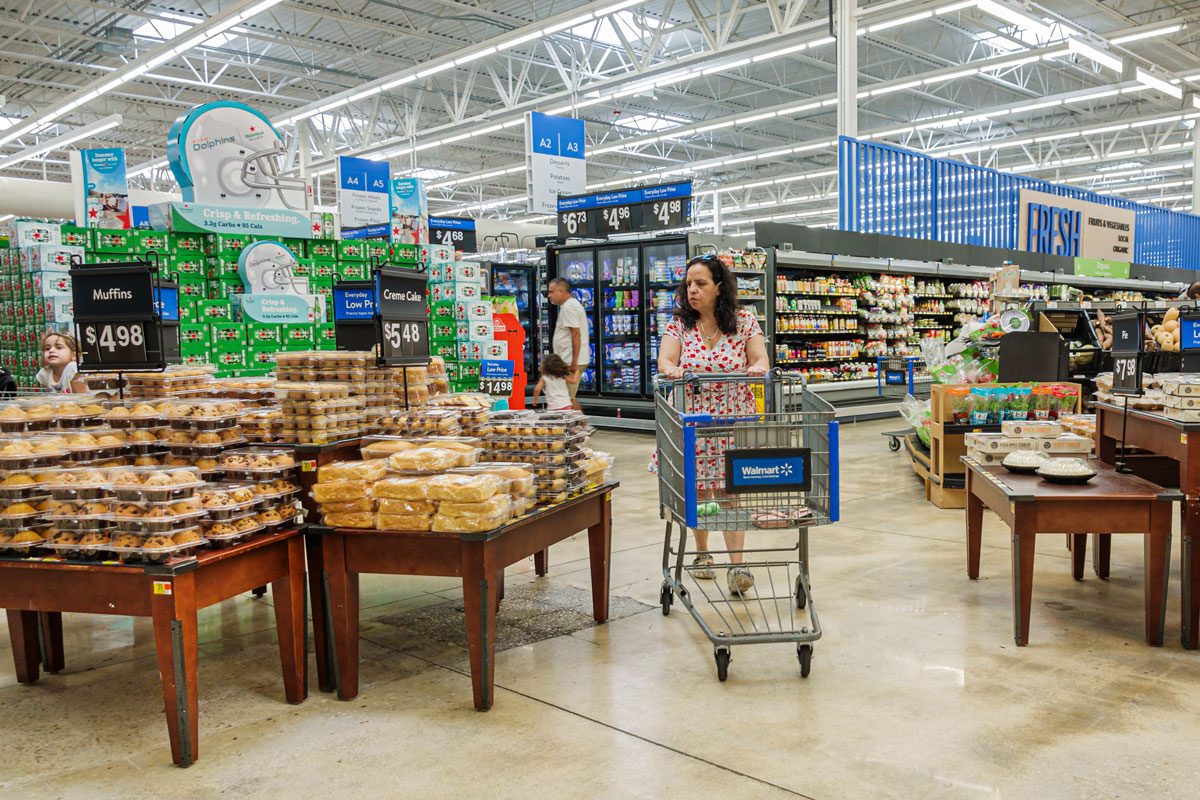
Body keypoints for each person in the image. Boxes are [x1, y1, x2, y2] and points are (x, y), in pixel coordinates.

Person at [652, 253, 769, 595]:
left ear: (720, 287)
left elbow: (760, 356)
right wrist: (670, 369)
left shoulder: (745, 322)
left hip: (733, 417)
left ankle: (737, 564)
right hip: (693, 418)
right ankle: (703, 554)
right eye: (688, 283)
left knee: (732, 491)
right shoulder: (679, 325)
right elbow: (665, 358)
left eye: (701, 283)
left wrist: (758, 367)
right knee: (700, 489)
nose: (692, 290)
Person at [547, 277, 589, 410]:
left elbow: (576, 334)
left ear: (561, 291)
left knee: (567, 399)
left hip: (570, 360)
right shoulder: (569, 306)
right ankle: (580, 427)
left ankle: (581, 426)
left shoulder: (569, 307)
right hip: (568, 359)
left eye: (551, 292)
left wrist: (574, 362)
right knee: (567, 397)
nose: (549, 295)